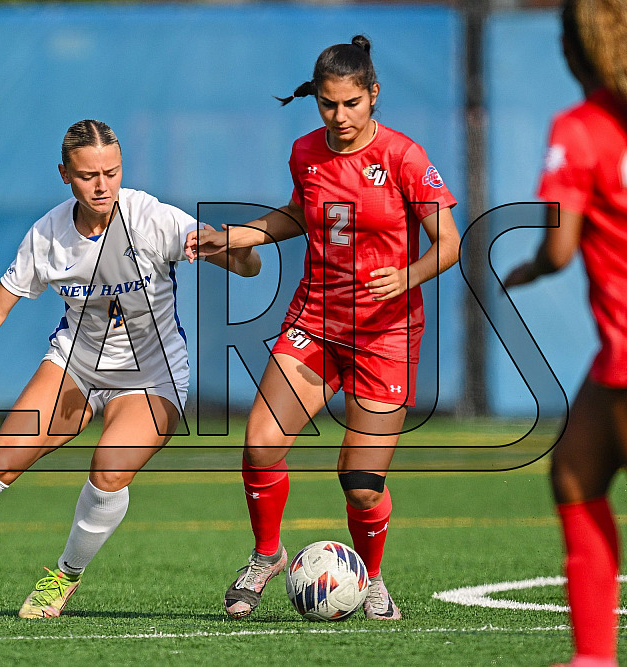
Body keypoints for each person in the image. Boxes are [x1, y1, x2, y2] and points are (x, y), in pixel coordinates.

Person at [0, 119, 260, 618]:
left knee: (109, 469)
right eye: (88, 174)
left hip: (151, 378)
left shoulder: (151, 218)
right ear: (64, 175)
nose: (102, 185)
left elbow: (249, 268)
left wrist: (233, 249)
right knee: (3, 457)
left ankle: (62, 578)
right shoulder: (48, 234)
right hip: (75, 365)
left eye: (111, 172)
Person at [185, 35, 460, 620]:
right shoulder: (306, 151)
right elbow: (298, 213)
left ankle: (373, 579)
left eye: (351, 104)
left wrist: (406, 277)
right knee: (260, 441)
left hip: (387, 335)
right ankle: (265, 557)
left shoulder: (406, 159)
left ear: (373, 95)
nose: (338, 117)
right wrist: (237, 235)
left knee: (360, 482)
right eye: (328, 105)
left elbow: (450, 246)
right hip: (316, 321)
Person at [504, 1, 627, 665]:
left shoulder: (581, 129)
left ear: (575, 51)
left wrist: (527, 268)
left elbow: (559, 250)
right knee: (576, 473)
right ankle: (594, 657)